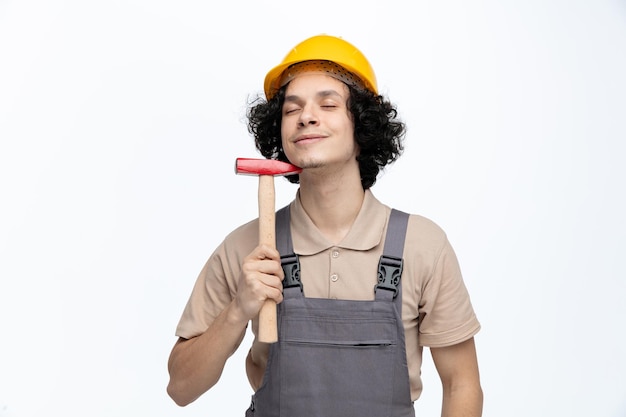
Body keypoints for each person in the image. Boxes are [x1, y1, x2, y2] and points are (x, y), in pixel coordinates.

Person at [167, 34, 483, 417]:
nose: (306, 116)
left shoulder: (421, 245)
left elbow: (461, 383)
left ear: (362, 127)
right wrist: (238, 308)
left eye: (328, 104)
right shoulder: (246, 246)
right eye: (291, 109)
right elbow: (181, 389)